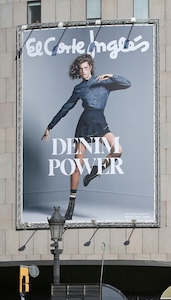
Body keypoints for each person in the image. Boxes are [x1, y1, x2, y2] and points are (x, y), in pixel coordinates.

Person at [42, 53, 131, 220]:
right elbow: (65, 108)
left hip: (100, 122)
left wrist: (111, 75)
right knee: (77, 166)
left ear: (91, 68)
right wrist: (50, 126)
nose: (83, 71)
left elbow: (127, 83)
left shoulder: (105, 82)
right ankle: (71, 204)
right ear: (79, 70)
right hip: (84, 125)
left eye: (86, 68)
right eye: (80, 69)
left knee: (117, 150)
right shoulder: (79, 89)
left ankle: (95, 170)